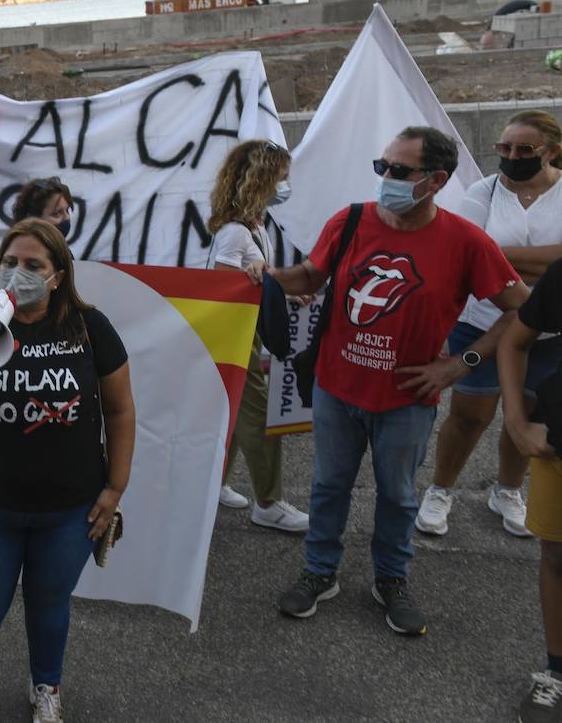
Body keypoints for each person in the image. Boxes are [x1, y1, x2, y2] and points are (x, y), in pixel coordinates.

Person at [257, 126, 526, 635]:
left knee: (399, 495)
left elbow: (520, 312)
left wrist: (459, 364)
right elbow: (310, 278)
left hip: (406, 400)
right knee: (328, 486)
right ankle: (319, 572)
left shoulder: (466, 241)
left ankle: (390, 579)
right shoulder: (351, 220)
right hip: (337, 389)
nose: (387, 180)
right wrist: (258, 276)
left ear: (437, 180)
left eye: (400, 171)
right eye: (382, 168)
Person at [0, 218, 135, 723]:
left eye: (34, 265)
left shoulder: (89, 327)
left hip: (69, 510)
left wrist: (116, 487)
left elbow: (120, 411)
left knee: (49, 605)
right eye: (10, 263)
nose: (19, 273)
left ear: (58, 276)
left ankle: (46, 687)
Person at [418, 110, 562, 539]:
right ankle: (440, 489)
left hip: (550, 333)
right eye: (504, 148)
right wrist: (546, 265)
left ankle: (508, 490)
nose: (511, 156)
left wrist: (496, 256)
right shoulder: (483, 191)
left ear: (552, 151)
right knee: (469, 414)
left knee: (532, 412)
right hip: (481, 322)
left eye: (523, 149)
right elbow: (468, 256)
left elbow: (485, 254)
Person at [206, 140, 308, 532]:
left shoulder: (254, 225)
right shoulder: (235, 231)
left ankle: (213, 483)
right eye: (281, 178)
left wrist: (285, 293)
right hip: (234, 336)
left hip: (240, 332)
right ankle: (268, 502)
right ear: (262, 180)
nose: (285, 185)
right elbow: (221, 284)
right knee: (261, 415)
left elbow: (256, 278)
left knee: (233, 412)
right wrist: (247, 280)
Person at [499, 260, 562, 722]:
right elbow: (515, 339)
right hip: (556, 448)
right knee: (558, 557)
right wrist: (517, 423)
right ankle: (556, 672)